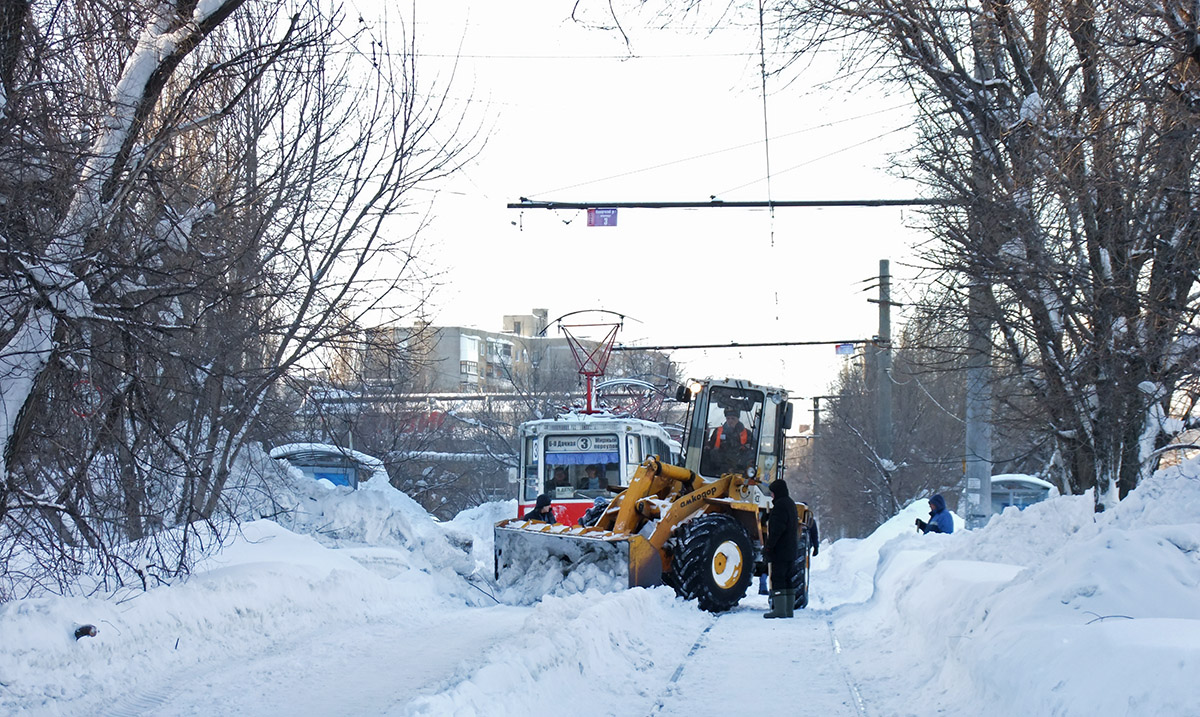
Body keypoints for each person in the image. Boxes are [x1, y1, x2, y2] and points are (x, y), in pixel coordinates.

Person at [763, 479, 798, 619]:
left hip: (781, 550)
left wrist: (769, 546)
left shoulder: (779, 506)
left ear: (776, 492)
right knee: (788, 578)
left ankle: (779, 610)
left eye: (772, 493)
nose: (771, 496)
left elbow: (777, 529)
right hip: (791, 549)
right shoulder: (790, 504)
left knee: (777, 578)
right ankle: (788, 610)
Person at [707, 408, 751, 474]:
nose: (730, 421)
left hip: (739, 469)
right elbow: (711, 445)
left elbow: (754, 450)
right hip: (719, 469)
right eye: (728, 418)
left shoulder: (747, 433)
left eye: (733, 418)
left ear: (738, 419)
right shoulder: (718, 431)